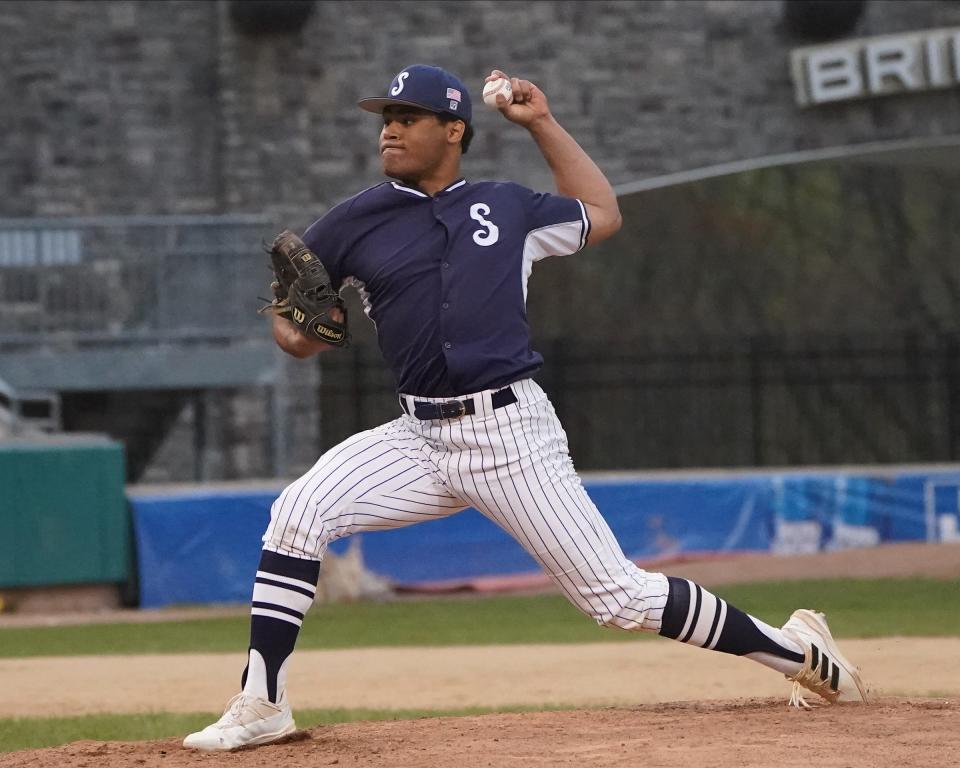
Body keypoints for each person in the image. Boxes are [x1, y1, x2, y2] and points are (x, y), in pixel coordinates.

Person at [183, 64, 868, 751]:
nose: (390, 128)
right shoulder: (354, 218)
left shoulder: (506, 207)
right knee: (297, 515)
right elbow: (298, 335)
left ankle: (800, 653)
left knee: (620, 600)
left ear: (454, 130)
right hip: (416, 436)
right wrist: (294, 326)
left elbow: (603, 213)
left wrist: (539, 120)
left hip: (508, 435)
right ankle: (262, 702)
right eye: (385, 116)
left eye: (409, 116)